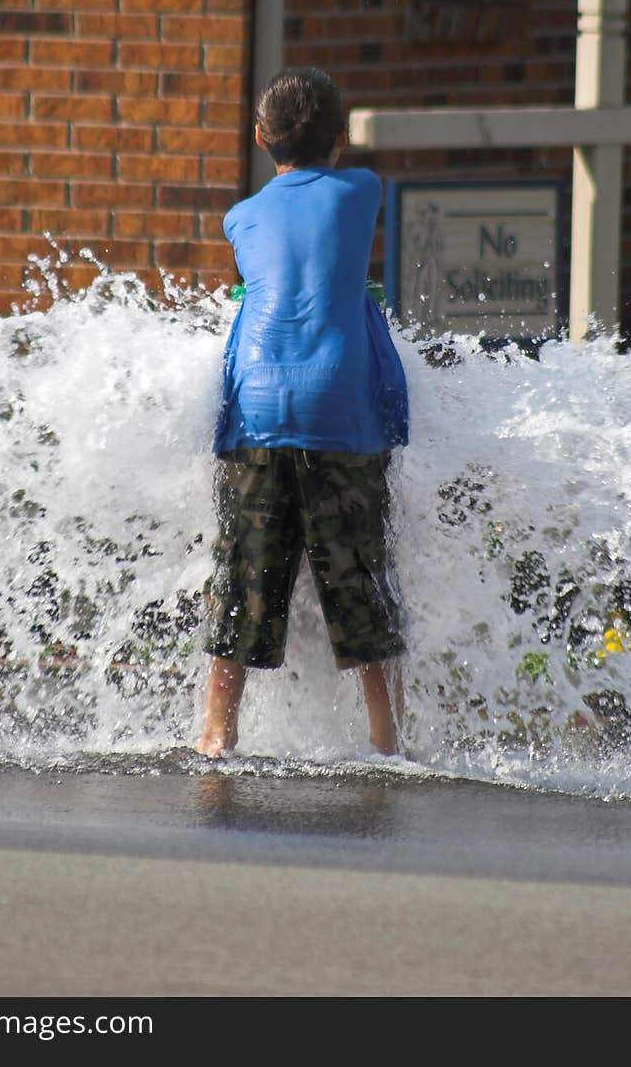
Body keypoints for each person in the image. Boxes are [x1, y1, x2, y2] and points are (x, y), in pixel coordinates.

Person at [195, 67, 409, 759]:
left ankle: (217, 731)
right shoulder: (363, 190)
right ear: (341, 142)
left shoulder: (241, 215)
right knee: (361, 581)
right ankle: (387, 740)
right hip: (339, 404)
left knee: (242, 580)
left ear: (260, 139)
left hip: (255, 404)